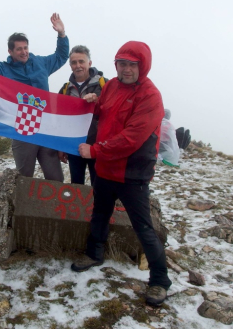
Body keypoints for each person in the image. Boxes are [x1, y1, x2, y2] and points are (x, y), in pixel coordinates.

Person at [71, 41, 172, 306]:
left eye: (132, 64)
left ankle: (160, 280)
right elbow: (104, 114)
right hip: (105, 167)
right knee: (100, 213)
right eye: (122, 63)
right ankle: (95, 254)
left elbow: (131, 138)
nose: (126, 69)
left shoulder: (150, 96)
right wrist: (93, 104)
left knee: (143, 227)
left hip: (132, 172)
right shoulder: (112, 86)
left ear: (143, 66)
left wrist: (94, 151)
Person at [0, 11, 69, 182]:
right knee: (24, 180)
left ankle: (53, 208)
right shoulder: (3, 70)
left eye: (25, 48)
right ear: (10, 51)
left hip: (46, 129)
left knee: (56, 179)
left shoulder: (41, 63)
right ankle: (22, 209)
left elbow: (61, 56)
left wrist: (61, 34)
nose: (24, 52)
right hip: (22, 130)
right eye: (19, 49)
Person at [58, 45, 106, 185]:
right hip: (74, 146)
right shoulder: (66, 88)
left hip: (97, 145)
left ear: (89, 63)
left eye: (81, 61)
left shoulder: (105, 85)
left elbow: (113, 111)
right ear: (70, 65)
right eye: (74, 62)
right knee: (76, 185)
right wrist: (61, 146)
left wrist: (98, 102)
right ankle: (77, 208)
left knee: (99, 186)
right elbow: (61, 119)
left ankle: (97, 208)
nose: (78, 65)